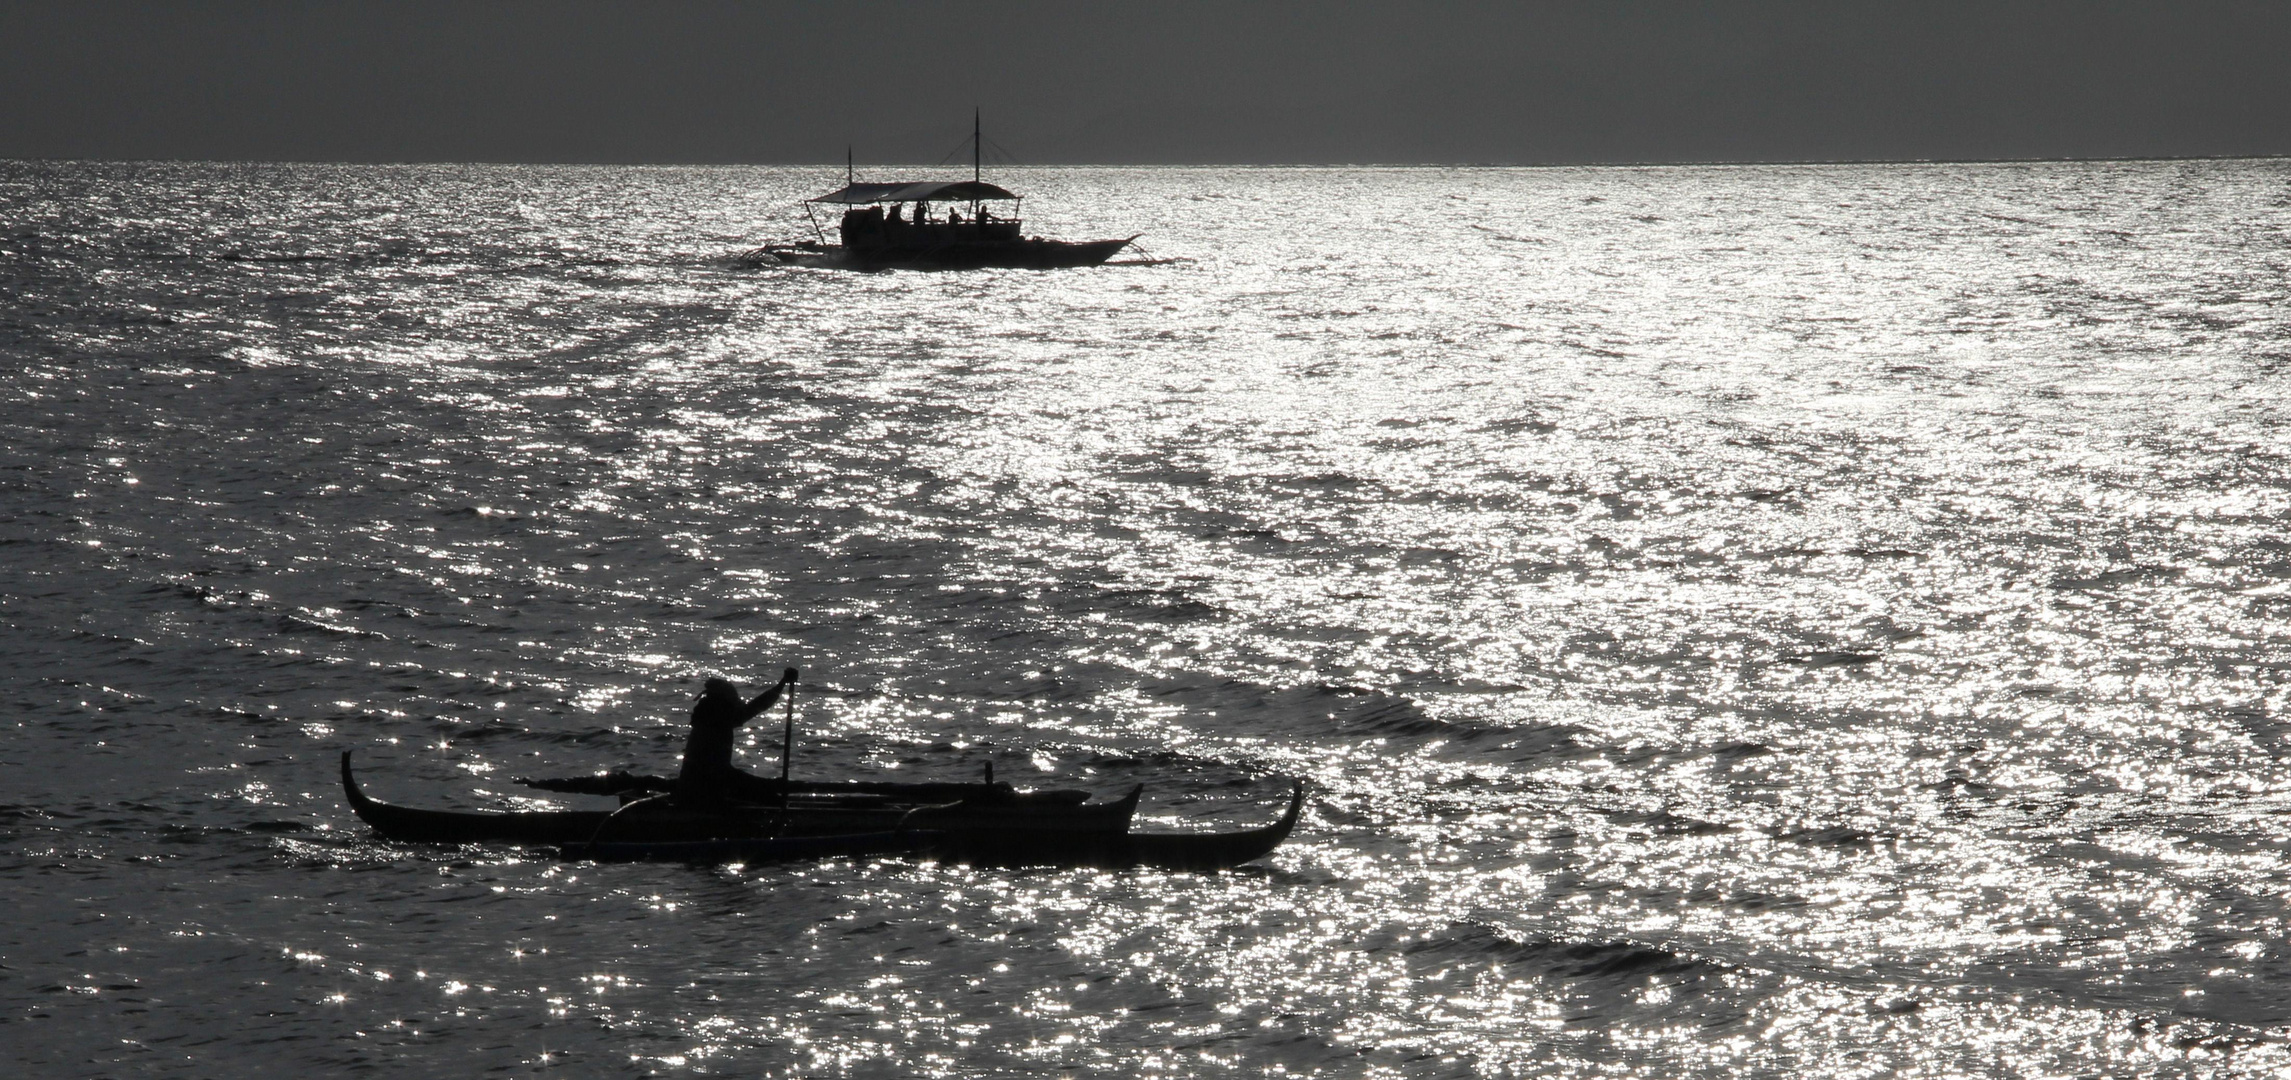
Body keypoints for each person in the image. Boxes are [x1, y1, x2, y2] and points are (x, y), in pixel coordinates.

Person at [676, 668, 799, 802]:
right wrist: (768, 785)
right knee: (770, 797)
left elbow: (754, 707)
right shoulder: (714, 725)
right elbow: (720, 773)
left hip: (708, 785)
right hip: (703, 791)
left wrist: (782, 684)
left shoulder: (711, 720)